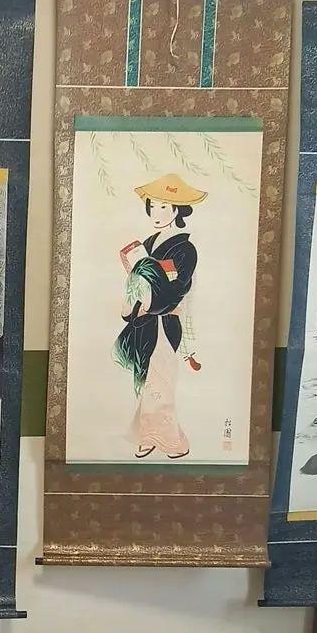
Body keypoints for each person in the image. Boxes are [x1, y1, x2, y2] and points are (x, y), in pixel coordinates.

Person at [113, 172, 206, 459]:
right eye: (153, 206)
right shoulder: (147, 243)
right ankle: (148, 436)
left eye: (164, 206)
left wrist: (149, 295)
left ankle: (174, 443)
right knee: (147, 382)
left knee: (160, 383)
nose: (156, 212)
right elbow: (136, 283)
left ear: (177, 210)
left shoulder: (185, 249)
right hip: (144, 322)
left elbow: (177, 289)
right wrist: (134, 297)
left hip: (165, 322)